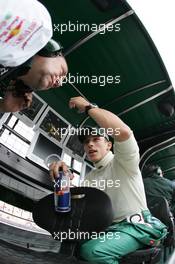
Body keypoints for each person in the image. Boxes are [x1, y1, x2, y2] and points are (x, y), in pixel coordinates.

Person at [49, 96, 167, 264]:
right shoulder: (89, 178)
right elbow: (69, 206)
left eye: (96, 139)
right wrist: (62, 178)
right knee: (71, 243)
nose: (90, 145)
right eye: (86, 142)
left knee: (94, 252)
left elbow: (124, 133)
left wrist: (89, 107)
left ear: (109, 145)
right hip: (109, 230)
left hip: (137, 227)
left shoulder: (123, 161)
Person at [0, 0, 68, 113]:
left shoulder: (8, 65)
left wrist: (3, 107)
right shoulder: (41, 24)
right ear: (54, 50)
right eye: (62, 73)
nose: (59, 83)